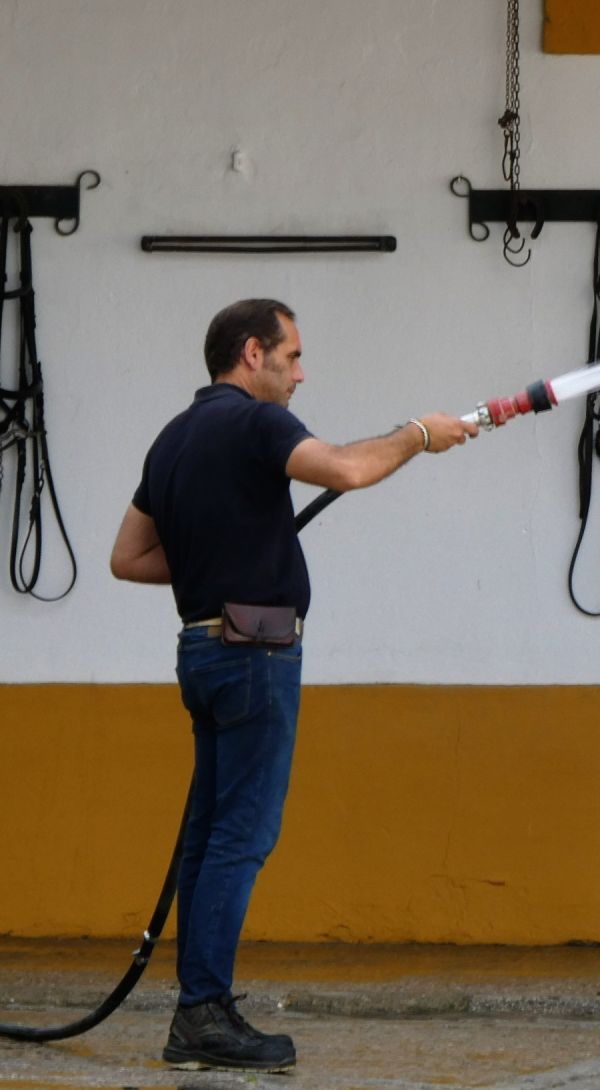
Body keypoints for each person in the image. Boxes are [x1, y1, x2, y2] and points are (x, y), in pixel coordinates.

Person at [109, 299, 477, 1072]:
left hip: (201, 652)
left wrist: (220, 551)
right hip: (255, 654)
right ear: (253, 354)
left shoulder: (173, 438)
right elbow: (346, 469)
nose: (301, 374)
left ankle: (198, 1010)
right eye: (293, 356)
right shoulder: (256, 423)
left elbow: (129, 557)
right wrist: (420, 434)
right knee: (242, 837)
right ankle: (203, 1015)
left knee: (210, 838)